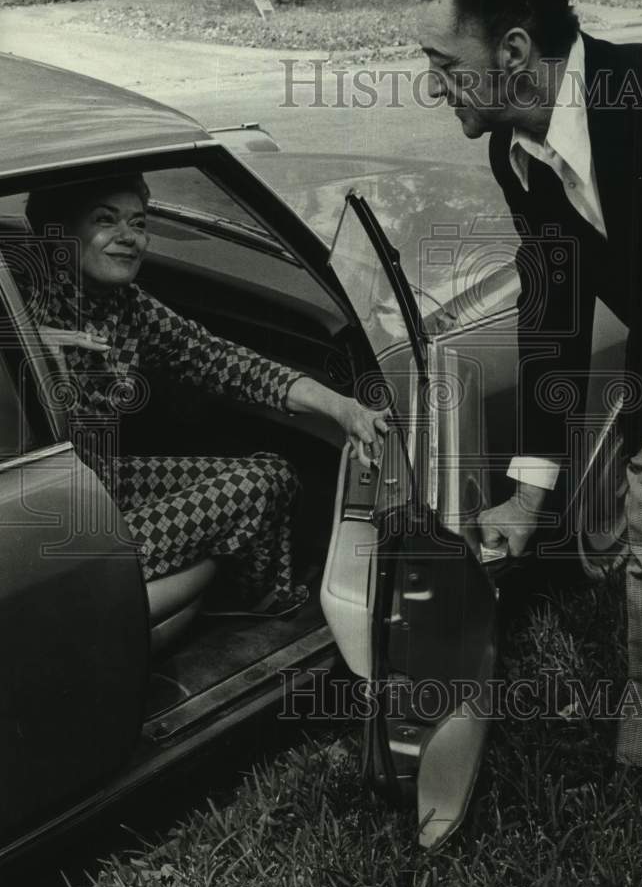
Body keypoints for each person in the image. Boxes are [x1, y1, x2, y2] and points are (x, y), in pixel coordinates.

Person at [418, 0, 642, 768]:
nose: (433, 84)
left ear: (514, 51)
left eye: (445, 62)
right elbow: (552, 315)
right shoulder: (513, 152)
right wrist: (528, 498)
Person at [22, 175, 389, 617]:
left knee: (273, 476)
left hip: (98, 481)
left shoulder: (126, 305)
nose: (129, 238)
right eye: (105, 220)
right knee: (254, 487)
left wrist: (343, 408)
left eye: (138, 224)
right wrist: (23, 341)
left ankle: (251, 608)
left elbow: (221, 361)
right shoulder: (19, 296)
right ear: (56, 230)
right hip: (45, 530)